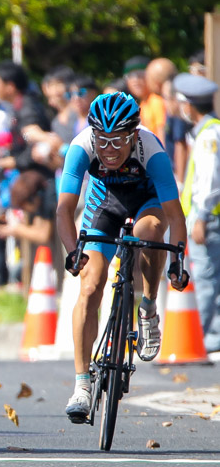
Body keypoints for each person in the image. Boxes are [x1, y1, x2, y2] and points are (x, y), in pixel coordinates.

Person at [56, 92, 189, 422]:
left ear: (133, 134)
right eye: (102, 140)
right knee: (90, 285)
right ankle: (82, 385)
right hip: (105, 205)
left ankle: (148, 307)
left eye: (117, 141)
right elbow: (64, 210)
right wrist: (74, 252)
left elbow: (175, 216)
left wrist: (178, 261)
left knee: (149, 234)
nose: (109, 150)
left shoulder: (152, 150)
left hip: (147, 201)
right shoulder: (81, 146)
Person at [175, 73, 220, 353]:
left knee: (205, 280)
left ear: (189, 105)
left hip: (208, 219)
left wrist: (201, 216)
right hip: (206, 218)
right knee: (209, 278)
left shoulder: (209, 135)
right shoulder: (206, 132)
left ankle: (202, 339)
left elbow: (210, 180)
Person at [124, 55, 166, 143]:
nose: (136, 80)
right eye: (131, 76)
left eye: (140, 74)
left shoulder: (156, 100)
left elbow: (162, 136)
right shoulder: (142, 104)